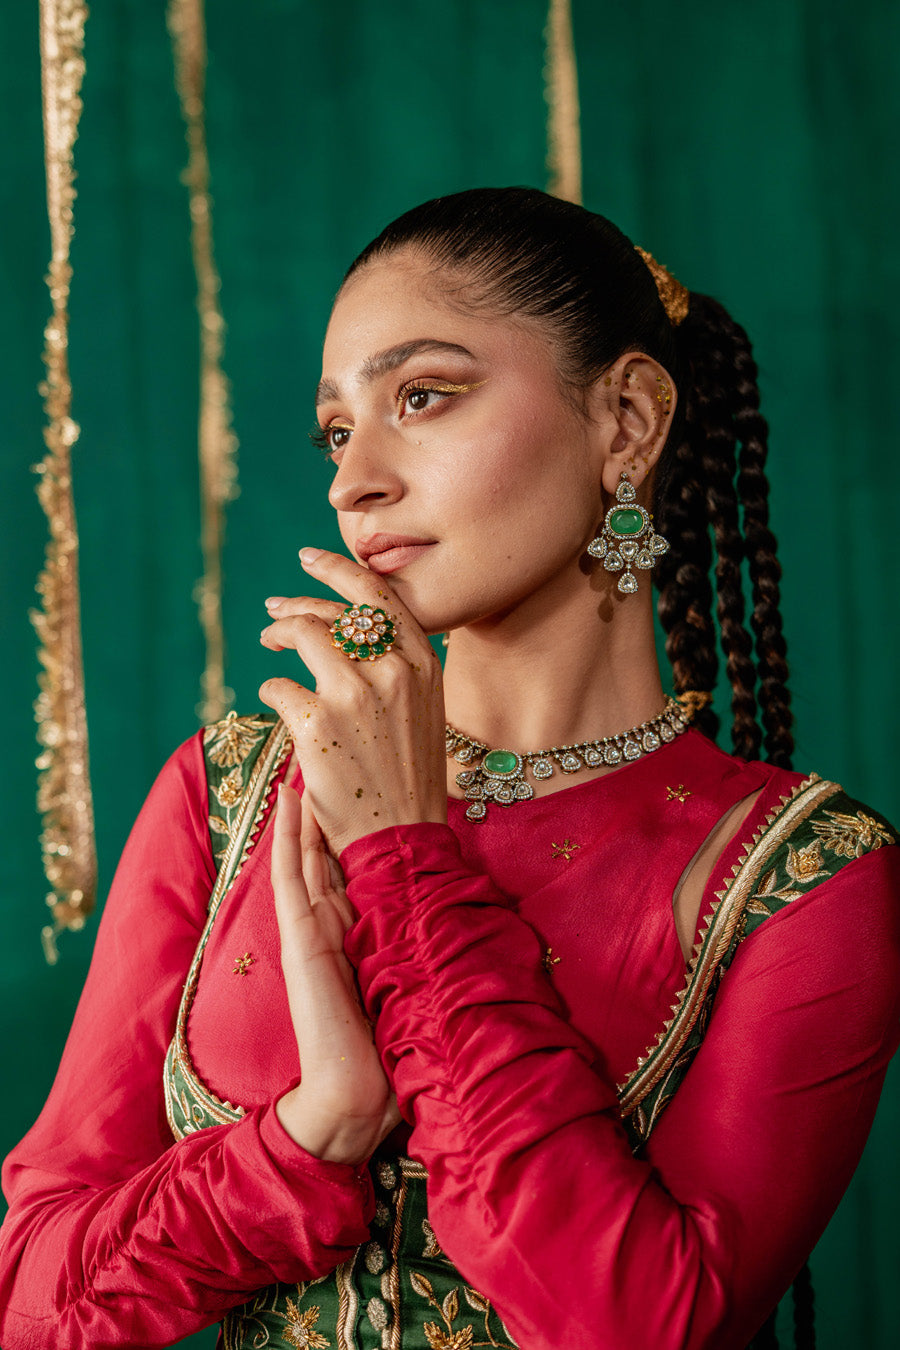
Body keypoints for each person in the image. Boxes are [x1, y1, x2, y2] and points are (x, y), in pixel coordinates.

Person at [1, 187, 898, 1350]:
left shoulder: (805, 876)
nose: (351, 480)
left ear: (626, 419)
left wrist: (402, 857)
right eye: (336, 429)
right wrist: (313, 1132)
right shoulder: (231, 794)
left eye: (420, 398)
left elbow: (635, 1327)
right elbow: (31, 1301)